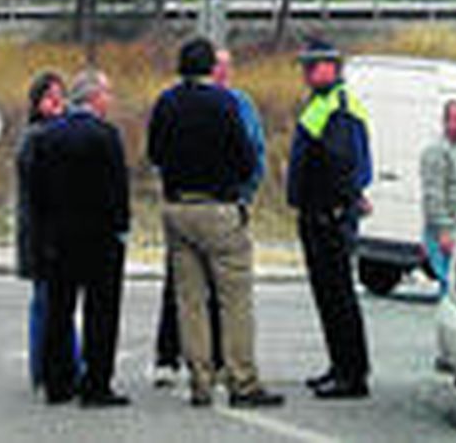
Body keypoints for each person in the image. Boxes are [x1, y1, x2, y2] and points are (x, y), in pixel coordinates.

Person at [148, 37, 283, 410]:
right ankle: (242, 379)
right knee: (234, 299)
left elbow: (155, 153)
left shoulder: (166, 103)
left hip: (178, 208)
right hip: (219, 207)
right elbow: (245, 158)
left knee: (190, 301)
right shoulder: (225, 104)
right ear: (211, 67)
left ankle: (200, 380)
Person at [32, 69, 131, 408]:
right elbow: (118, 189)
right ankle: (96, 383)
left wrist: (43, 235)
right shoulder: (106, 136)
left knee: (59, 311)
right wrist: (121, 228)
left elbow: (37, 192)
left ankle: (57, 382)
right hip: (100, 238)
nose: (110, 100)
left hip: (60, 237)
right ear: (93, 97)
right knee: (101, 313)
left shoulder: (48, 136)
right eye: (107, 93)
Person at [286, 36, 372, 399]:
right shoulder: (322, 103)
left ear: (331, 67)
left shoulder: (337, 106)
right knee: (329, 296)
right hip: (321, 212)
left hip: (328, 216)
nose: (306, 73)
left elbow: (339, 165)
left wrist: (336, 207)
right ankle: (340, 365)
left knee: (337, 297)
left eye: (312, 65)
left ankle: (351, 374)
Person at [14, 70, 77, 394]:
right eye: (50, 97)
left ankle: (53, 366)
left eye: (60, 97)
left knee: (51, 303)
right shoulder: (37, 138)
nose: (57, 103)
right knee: (48, 304)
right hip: (42, 235)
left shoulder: (57, 133)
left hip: (50, 233)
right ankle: (49, 367)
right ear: (37, 103)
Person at [419, 97, 456, 293]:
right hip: (445, 231)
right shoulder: (436, 151)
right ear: (445, 121)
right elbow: (433, 194)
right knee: (449, 284)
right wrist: (443, 231)